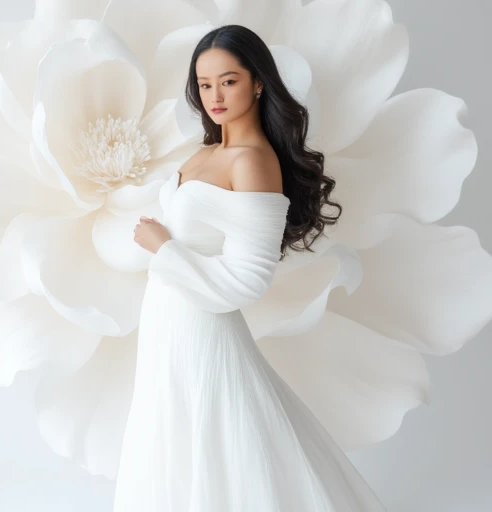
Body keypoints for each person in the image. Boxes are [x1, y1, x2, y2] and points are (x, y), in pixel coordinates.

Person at [119, 24, 387, 511]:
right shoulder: (207, 152)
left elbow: (249, 280)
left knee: (222, 447)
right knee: (175, 444)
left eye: (228, 80)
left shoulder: (253, 162)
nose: (214, 95)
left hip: (204, 332)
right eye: (204, 84)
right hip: (165, 326)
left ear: (258, 82)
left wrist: (165, 249)